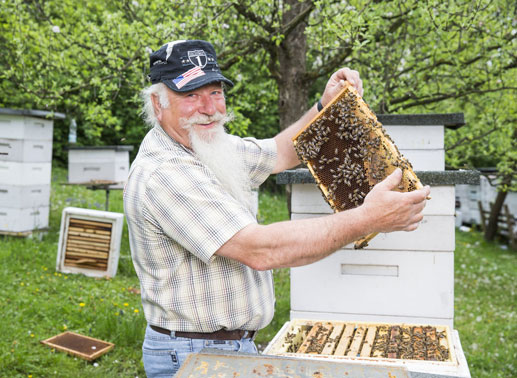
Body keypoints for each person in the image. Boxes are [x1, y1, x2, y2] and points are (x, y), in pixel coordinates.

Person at [123, 39, 430, 377]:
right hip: (192, 354)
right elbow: (260, 249)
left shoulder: (206, 147)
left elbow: (281, 151)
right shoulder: (165, 173)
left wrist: (324, 105)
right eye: (191, 95)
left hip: (226, 346)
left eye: (215, 92)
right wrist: (367, 218)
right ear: (157, 103)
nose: (208, 107)